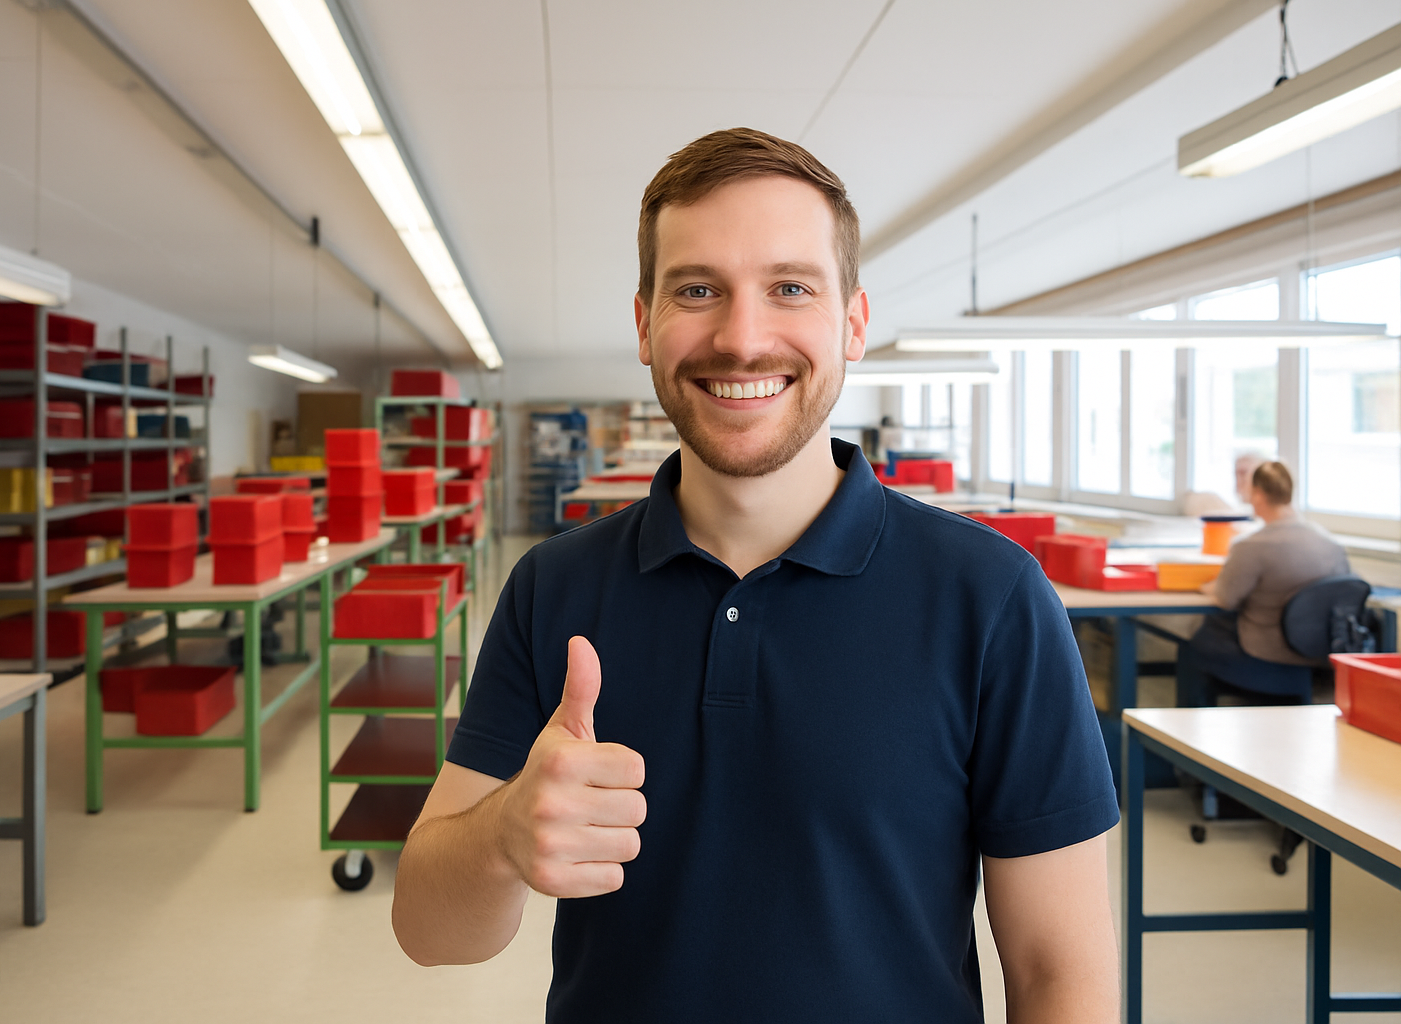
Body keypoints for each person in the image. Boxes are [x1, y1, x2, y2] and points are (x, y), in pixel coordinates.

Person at [391, 128, 1120, 1022]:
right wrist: (503, 838)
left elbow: (1063, 977)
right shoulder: (554, 587)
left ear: (853, 321)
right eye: (697, 290)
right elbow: (430, 931)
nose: (741, 339)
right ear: (644, 323)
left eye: (789, 288)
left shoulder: (994, 600)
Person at [1176, 460, 1351, 706]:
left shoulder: (1251, 546)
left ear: (1258, 495)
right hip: (1318, 656)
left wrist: (1205, 585)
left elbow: (1225, 598)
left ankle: (1185, 732)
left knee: (1195, 645)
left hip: (1267, 656)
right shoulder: (1330, 544)